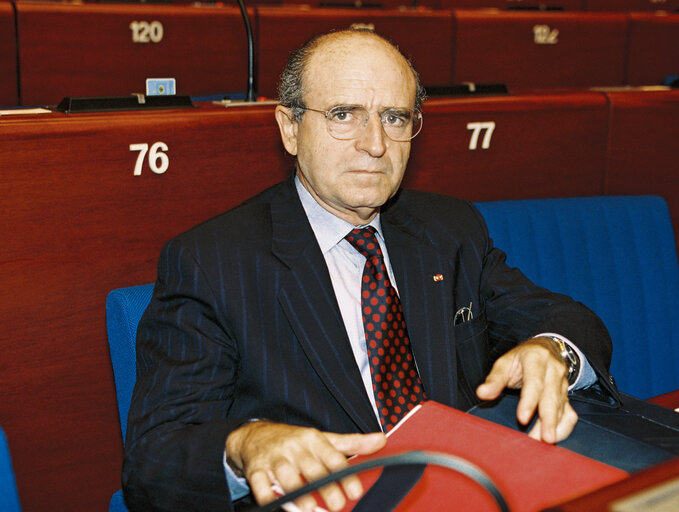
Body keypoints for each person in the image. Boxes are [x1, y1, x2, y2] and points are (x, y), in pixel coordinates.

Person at [122, 29, 618, 512]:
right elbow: (153, 460)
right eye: (344, 115)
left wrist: (551, 350)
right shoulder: (212, 262)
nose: (376, 144)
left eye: (395, 118)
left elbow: (564, 318)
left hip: (463, 489)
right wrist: (247, 441)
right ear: (290, 128)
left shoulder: (448, 229)